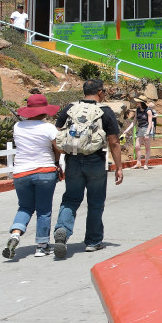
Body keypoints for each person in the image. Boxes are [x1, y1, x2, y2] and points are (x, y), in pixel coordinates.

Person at [52, 79, 124, 258]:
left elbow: (56, 134)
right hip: (95, 161)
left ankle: (62, 229)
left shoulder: (70, 108)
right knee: (96, 202)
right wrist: (119, 167)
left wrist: (57, 160)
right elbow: (114, 142)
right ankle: (92, 241)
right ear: (100, 92)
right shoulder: (105, 111)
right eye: (104, 91)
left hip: (73, 160)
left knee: (71, 198)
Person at [2, 94, 63, 259]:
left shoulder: (17, 127)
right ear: (44, 111)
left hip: (21, 172)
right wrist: (58, 162)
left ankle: (15, 234)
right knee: (44, 210)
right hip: (45, 171)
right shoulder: (48, 128)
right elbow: (59, 148)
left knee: (25, 207)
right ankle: (42, 246)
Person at [121, 97, 156, 169]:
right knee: (137, 146)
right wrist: (126, 130)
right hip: (140, 129)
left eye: (138, 102)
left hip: (147, 129)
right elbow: (134, 122)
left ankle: (146, 164)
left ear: (141, 103)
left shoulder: (148, 111)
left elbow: (150, 123)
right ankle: (138, 162)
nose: (136, 103)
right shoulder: (137, 110)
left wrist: (147, 133)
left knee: (147, 148)